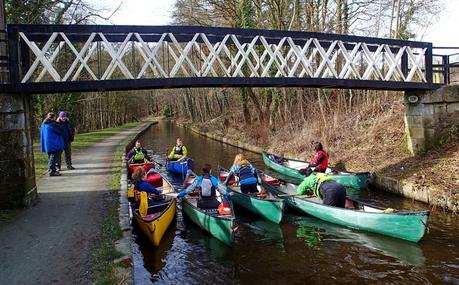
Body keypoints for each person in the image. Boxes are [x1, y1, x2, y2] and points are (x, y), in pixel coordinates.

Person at [40, 112, 64, 176]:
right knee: (53, 157)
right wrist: (59, 122)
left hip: (47, 144)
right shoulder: (53, 124)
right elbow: (61, 131)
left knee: (50, 157)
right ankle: (51, 171)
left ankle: (51, 170)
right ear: (54, 117)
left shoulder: (43, 124)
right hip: (54, 143)